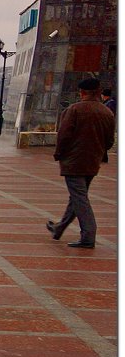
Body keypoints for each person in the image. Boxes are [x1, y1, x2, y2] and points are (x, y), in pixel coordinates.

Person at [47, 77, 115, 249]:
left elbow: (63, 135)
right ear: (99, 92)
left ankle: (88, 235)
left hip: (74, 162)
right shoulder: (107, 112)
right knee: (77, 197)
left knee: (80, 198)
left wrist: (59, 154)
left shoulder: (74, 110)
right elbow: (109, 141)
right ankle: (59, 228)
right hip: (93, 161)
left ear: (82, 92)